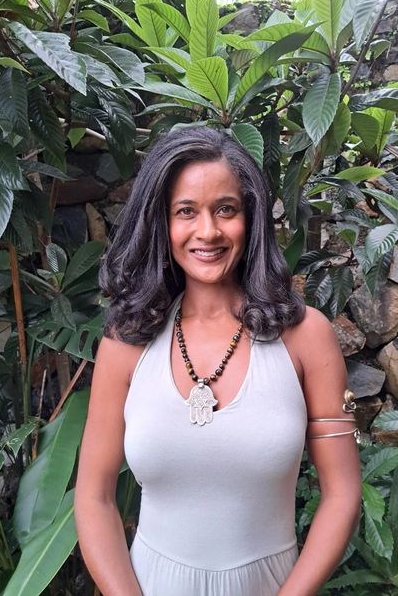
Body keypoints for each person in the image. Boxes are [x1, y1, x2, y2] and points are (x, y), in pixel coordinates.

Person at [74, 126, 362, 596]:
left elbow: (343, 494)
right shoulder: (125, 344)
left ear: (250, 218)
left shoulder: (305, 338)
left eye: (225, 209)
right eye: (186, 211)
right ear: (161, 222)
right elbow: (94, 497)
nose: (207, 231)